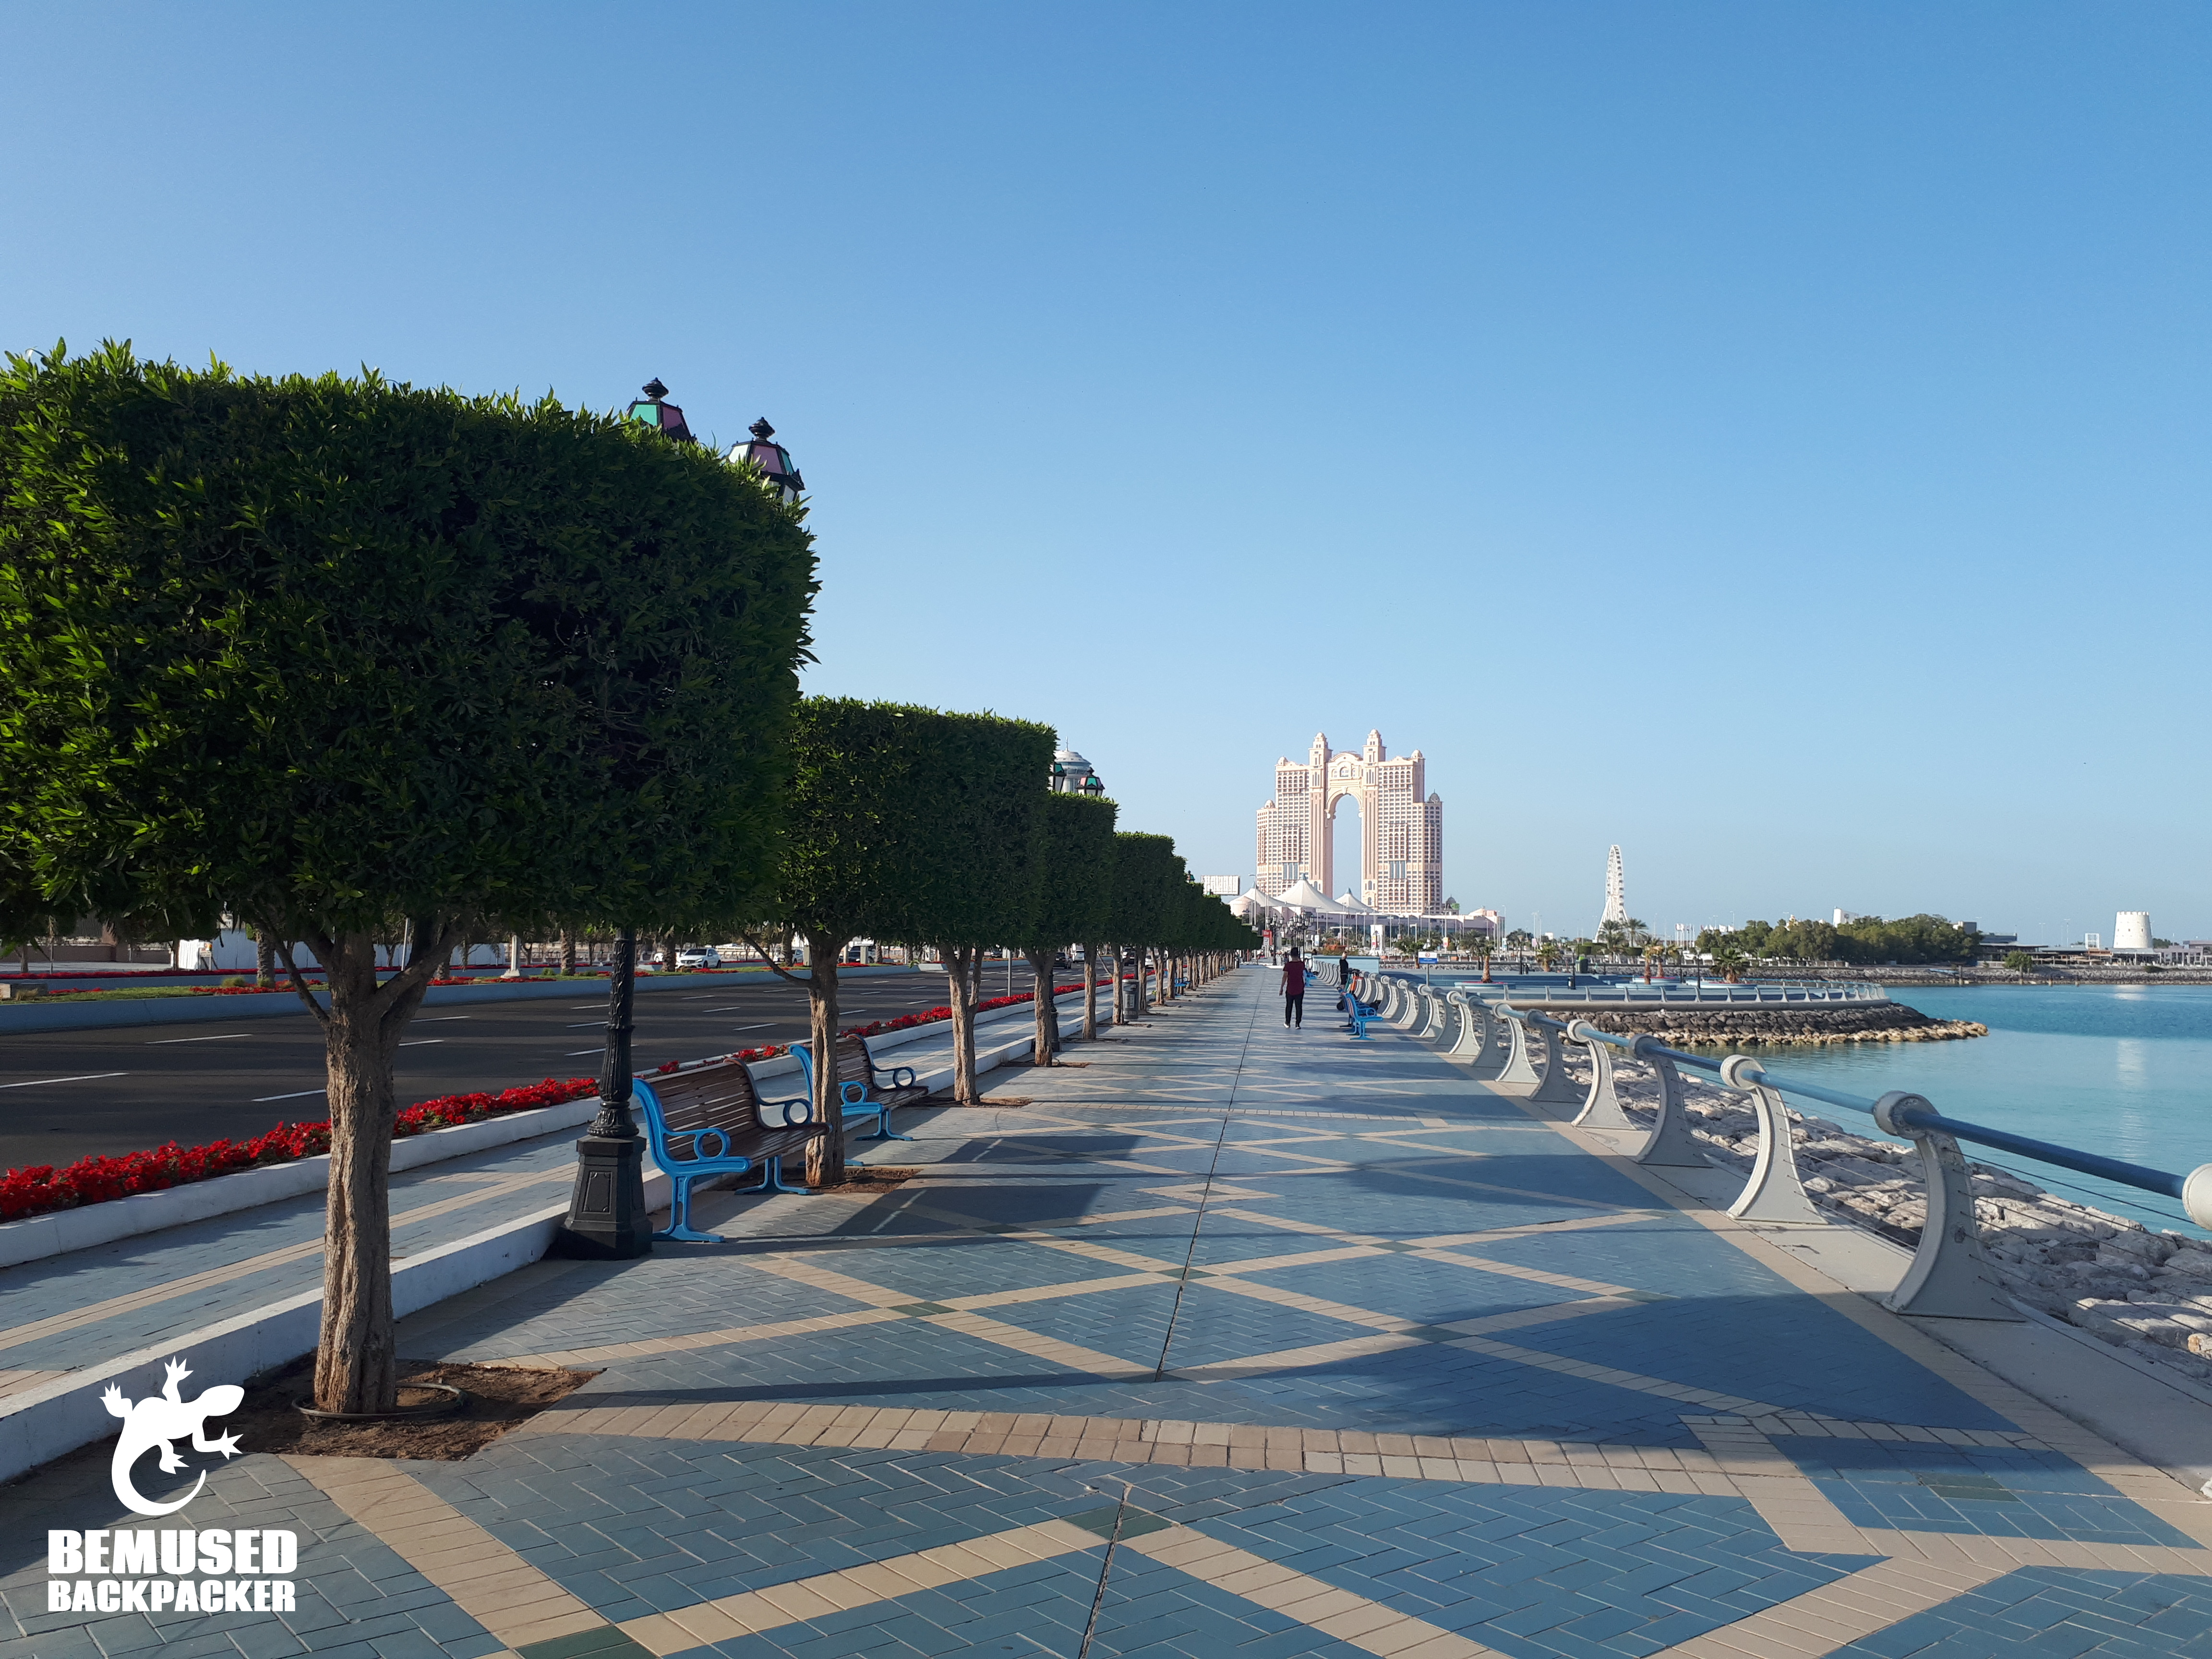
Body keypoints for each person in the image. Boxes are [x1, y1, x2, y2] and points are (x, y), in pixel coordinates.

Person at [1281, 948, 1307, 1028]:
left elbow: (1285, 976)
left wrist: (1282, 988)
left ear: (1291, 955)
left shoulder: (1288, 965)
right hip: (1300, 988)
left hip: (1290, 988)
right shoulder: (1302, 964)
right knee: (1299, 1006)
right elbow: (1302, 969)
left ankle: (1288, 1022)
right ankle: (1298, 1023)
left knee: (1289, 1006)